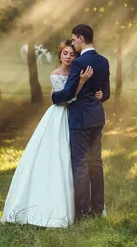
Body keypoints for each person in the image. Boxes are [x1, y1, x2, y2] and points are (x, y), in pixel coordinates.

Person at [1, 40, 102, 228]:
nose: (69, 57)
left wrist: (98, 92)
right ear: (60, 55)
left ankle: (79, 207)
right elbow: (66, 97)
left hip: (75, 117)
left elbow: (84, 94)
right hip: (59, 115)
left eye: (72, 54)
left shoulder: (77, 72)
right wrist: (81, 82)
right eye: (65, 53)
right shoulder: (56, 75)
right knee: (54, 156)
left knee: (75, 160)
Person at [51, 24, 110, 221]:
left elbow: (68, 93)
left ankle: (83, 213)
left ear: (81, 38)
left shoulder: (79, 63)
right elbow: (106, 92)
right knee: (96, 164)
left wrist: (54, 97)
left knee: (81, 166)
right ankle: (98, 210)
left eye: (74, 39)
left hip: (80, 120)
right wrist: (101, 96)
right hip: (97, 118)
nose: (74, 44)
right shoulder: (103, 61)